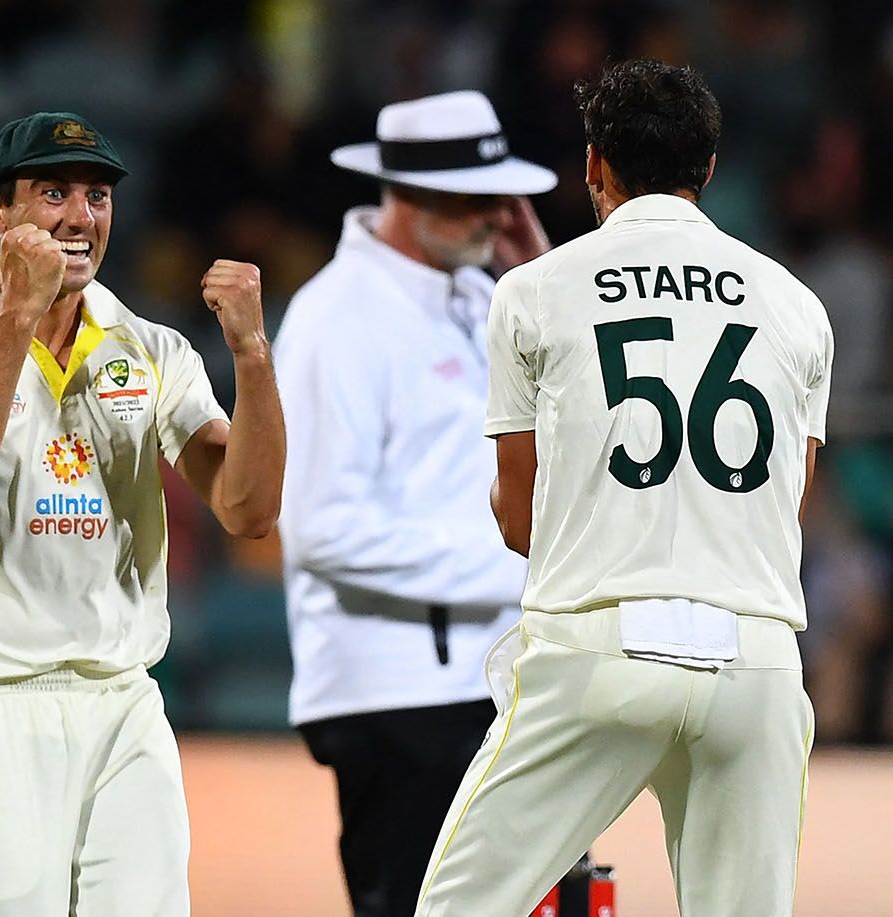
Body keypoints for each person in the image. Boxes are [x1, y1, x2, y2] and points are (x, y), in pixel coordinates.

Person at [416, 60, 833, 916]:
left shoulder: (532, 291)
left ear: (594, 165)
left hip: (598, 649)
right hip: (755, 662)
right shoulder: (798, 306)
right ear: (709, 170)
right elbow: (788, 506)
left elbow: (521, 520)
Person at [0, 111, 284, 916]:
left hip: (121, 697)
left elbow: (248, 508)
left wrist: (253, 356)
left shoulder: (150, 347)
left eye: (96, 197)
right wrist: (20, 314)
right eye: (52, 193)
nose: (79, 218)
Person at [273, 90, 557, 917]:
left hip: (486, 679)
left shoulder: (483, 296)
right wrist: (515, 569)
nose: (500, 214)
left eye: (505, 194)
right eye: (480, 197)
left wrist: (541, 283)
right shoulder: (336, 318)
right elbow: (320, 524)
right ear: (408, 193)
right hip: (399, 695)